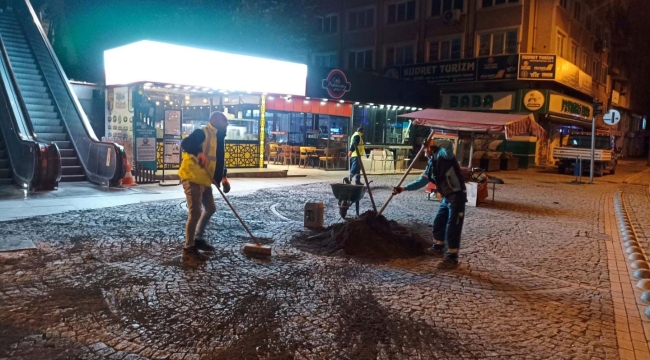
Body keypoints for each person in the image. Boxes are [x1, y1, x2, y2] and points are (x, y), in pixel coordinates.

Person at [392, 139, 467, 270]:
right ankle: (437, 247)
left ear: (431, 148)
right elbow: (422, 181)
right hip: (446, 197)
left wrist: (433, 141)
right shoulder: (431, 163)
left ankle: (451, 258)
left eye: (425, 149)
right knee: (438, 221)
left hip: (457, 196)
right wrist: (403, 189)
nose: (423, 152)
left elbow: (449, 144)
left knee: (453, 227)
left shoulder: (444, 155)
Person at [178, 112, 231, 263]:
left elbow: (218, 159)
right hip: (192, 176)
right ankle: (189, 248)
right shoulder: (202, 132)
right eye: (224, 121)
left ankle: (198, 239)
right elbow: (186, 144)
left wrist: (223, 177)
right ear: (216, 121)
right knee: (195, 212)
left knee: (211, 208)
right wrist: (199, 152)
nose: (227, 124)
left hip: (205, 179)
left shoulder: (219, 138)